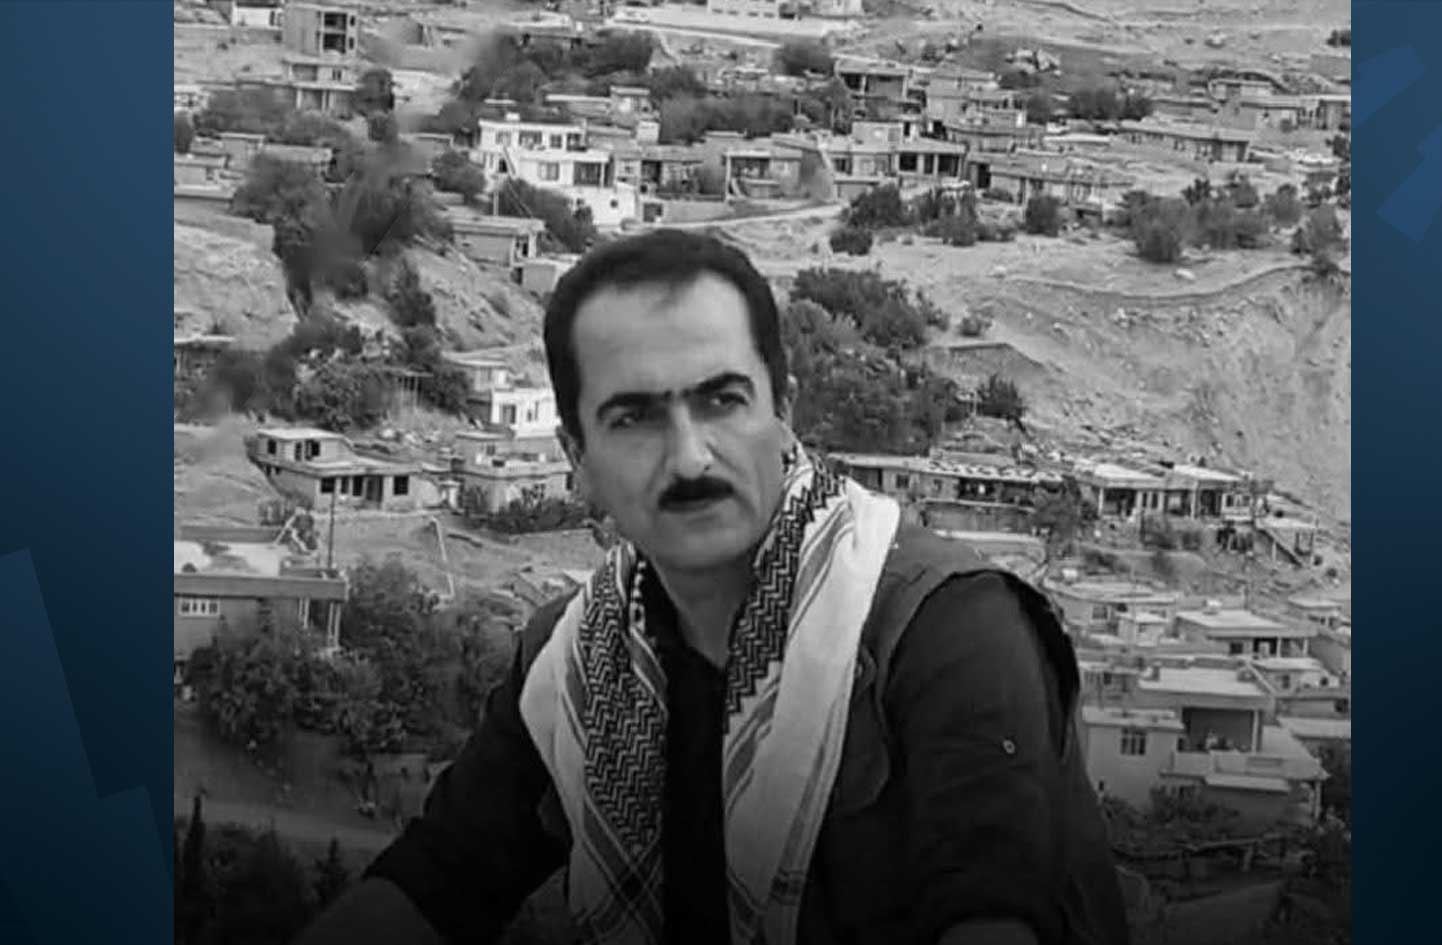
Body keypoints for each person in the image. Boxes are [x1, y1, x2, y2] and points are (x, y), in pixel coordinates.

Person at [293, 230, 1128, 945]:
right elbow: (433, 882)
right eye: (634, 417)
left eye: (722, 401)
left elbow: (993, 917)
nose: (690, 456)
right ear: (577, 456)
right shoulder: (575, 662)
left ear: (782, 410)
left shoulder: (944, 630)